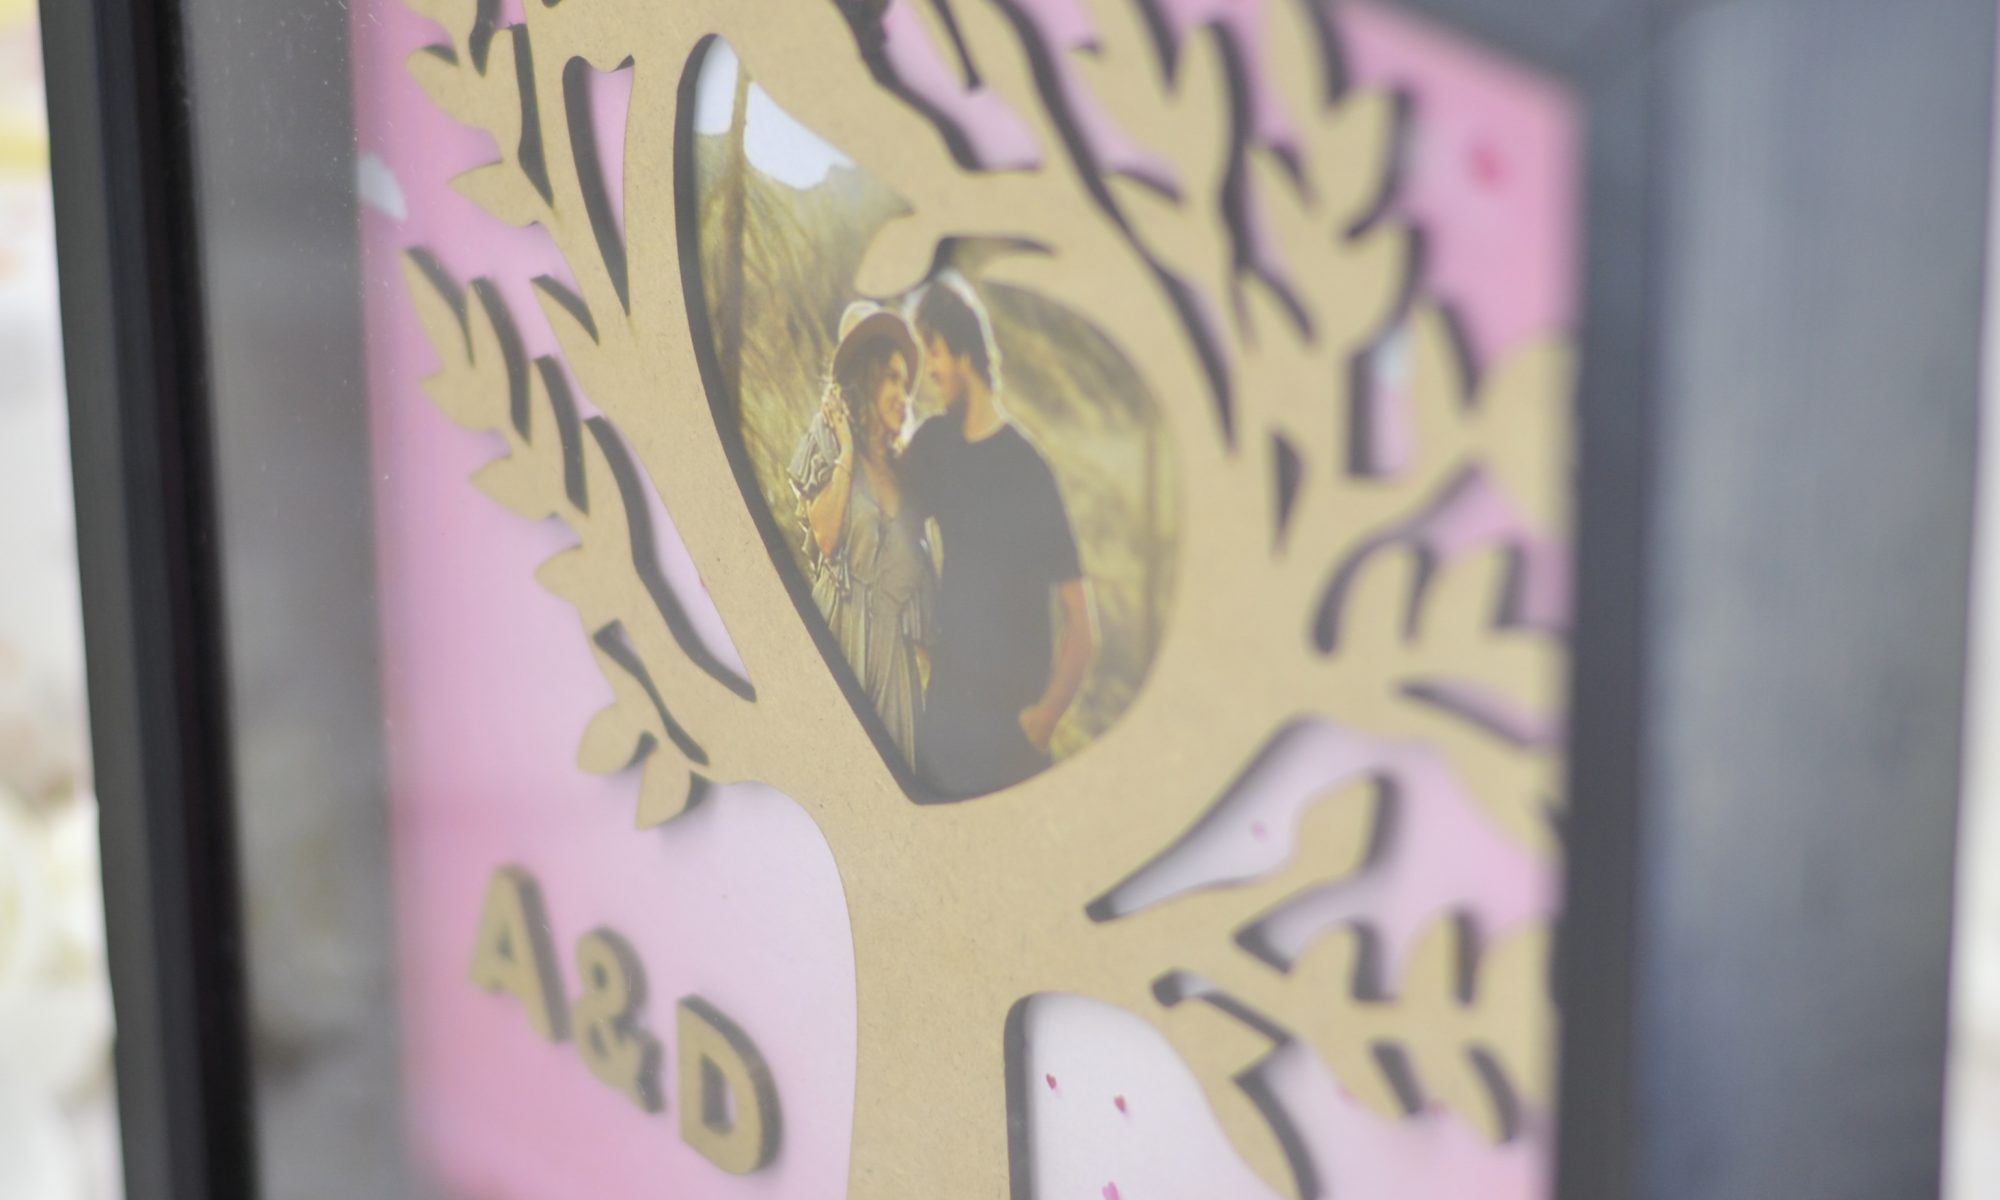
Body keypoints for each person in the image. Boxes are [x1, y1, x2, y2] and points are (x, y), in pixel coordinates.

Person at [901, 274, 1096, 800]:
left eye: (934, 352)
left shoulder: (1029, 470)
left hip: (1012, 744)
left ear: (964, 355)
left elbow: (1083, 625)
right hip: (943, 725)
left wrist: (1044, 720)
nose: (930, 370)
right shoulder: (934, 445)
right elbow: (886, 521)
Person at [788, 302, 936, 769]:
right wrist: (849, 453)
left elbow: (923, 609)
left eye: (906, 384)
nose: (904, 395)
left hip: (895, 676)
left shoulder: (909, 477)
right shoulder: (830, 439)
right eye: (892, 379)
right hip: (837, 636)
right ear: (869, 380)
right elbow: (825, 538)